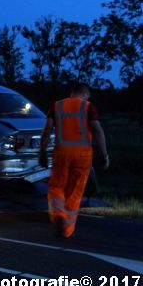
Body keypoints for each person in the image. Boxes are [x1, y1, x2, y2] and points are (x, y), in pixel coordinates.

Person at [39, 83, 109, 238]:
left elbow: (47, 131)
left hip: (61, 153)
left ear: (72, 93)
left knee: (56, 187)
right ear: (84, 94)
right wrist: (104, 154)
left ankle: (58, 215)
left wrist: (42, 153)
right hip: (83, 156)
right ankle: (66, 229)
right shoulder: (88, 107)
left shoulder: (57, 106)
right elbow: (97, 130)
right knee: (75, 192)